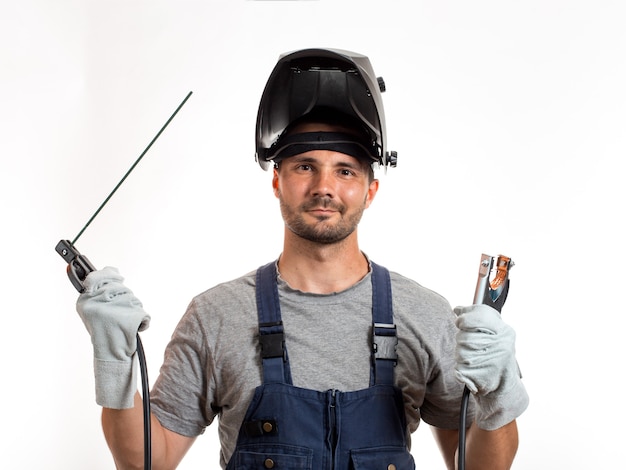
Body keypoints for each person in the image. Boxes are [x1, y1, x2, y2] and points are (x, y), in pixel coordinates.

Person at [75, 48, 529, 470]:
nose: (324, 188)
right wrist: (115, 362)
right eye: (305, 166)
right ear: (277, 180)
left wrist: (498, 392)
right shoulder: (215, 316)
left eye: (346, 170)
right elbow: (145, 462)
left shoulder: (426, 315)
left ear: (370, 190)